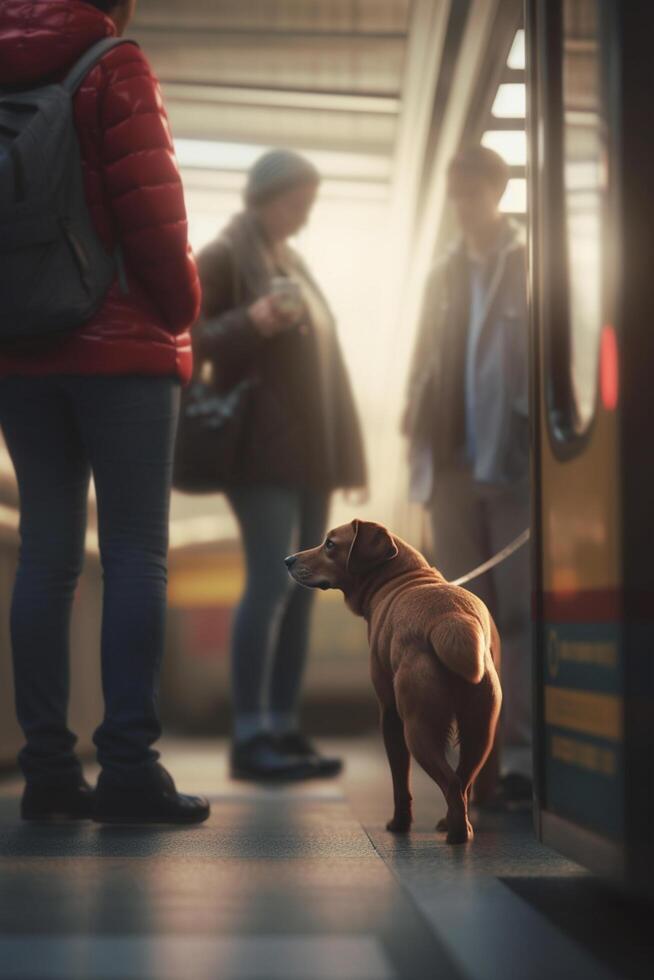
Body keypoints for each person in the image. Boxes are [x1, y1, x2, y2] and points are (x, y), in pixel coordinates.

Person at [0, 0, 210, 825]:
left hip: (19, 348)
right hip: (119, 346)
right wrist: (180, 310)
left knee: (46, 557)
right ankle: (127, 767)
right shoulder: (113, 64)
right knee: (132, 553)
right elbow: (153, 211)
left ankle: (48, 771)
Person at [196, 149, 367, 781]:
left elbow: (329, 372)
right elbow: (186, 335)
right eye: (298, 201)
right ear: (267, 196)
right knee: (271, 586)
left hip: (310, 456)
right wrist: (251, 321)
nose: (305, 213)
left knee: (304, 591)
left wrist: (343, 456)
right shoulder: (224, 256)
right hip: (260, 452)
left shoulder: (292, 262)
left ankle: (282, 726)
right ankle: (250, 735)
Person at [402, 145, 531, 802]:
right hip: (450, 462)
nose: (461, 206)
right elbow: (425, 359)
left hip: (512, 463)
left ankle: (523, 757)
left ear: (497, 194)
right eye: (454, 194)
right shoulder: (443, 274)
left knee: (519, 608)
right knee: (461, 618)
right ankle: (475, 761)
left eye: (472, 193)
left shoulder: (531, 263)